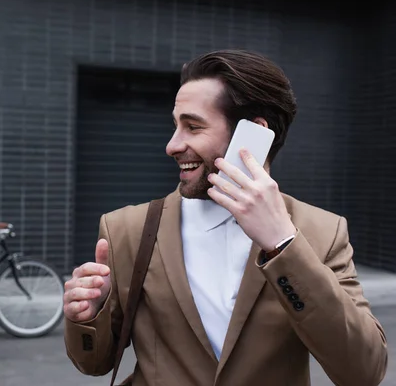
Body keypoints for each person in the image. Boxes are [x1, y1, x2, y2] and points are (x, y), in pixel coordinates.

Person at [62, 49, 388, 386]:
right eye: (175, 126)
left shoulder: (322, 232)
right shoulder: (126, 229)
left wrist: (283, 244)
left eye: (193, 126)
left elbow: (364, 372)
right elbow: (94, 363)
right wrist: (87, 316)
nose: (172, 145)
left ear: (254, 132)